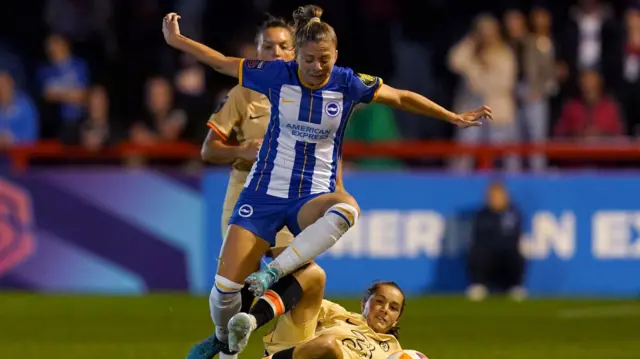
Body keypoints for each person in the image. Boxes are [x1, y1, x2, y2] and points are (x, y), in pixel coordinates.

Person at [162, 5, 491, 359]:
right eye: (309, 60)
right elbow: (222, 62)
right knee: (224, 290)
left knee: (347, 208)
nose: (318, 68)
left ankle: (272, 273)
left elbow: (401, 97)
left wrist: (452, 116)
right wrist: (178, 40)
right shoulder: (276, 75)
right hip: (263, 192)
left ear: (336, 55)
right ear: (297, 57)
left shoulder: (348, 82)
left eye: (325, 59)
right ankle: (226, 349)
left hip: (310, 196)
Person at [201, 16, 343, 359]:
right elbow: (208, 150)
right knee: (235, 282)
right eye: (267, 46)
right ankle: (226, 347)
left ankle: (284, 347)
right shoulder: (243, 93)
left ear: (294, 52)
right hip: (246, 192)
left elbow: (329, 146)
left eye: (283, 46)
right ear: (257, 50)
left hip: (290, 195)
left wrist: (335, 189)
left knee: (304, 275)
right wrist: (242, 151)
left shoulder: (310, 90)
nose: (275, 52)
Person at [466, 180, 526, 301]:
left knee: (518, 251)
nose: (496, 200)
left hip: (506, 256)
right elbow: (479, 238)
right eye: (493, 197)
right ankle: (479, 285)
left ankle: (515, 286)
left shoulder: (513, 213)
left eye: (499, 196)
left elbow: (516, 236)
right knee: (476, 251)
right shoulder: (482, 215)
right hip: (488, 258)